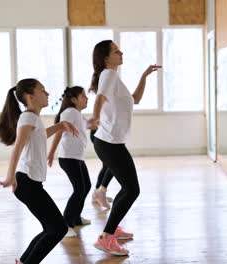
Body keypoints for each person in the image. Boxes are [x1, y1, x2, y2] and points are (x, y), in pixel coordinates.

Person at [89, 40, 161, 255]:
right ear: (105, 57)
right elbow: (100, 98)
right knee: (131, 189)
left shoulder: (113, 78)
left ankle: (112, 227)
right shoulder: (108, 75)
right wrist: (94, 117)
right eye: (116, 51)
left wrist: (144, 77)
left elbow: (135, 99)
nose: (121, 52)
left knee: (128, 188)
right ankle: (106, 237)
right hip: (109, 143)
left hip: (112, 142)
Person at [0, 79, 78, 263]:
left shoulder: (32, 118)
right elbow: (17, 148)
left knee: (51, 229)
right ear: (30, 96)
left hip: (30, 183)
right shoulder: (29, 118)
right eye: (43, 90)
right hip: (26, 183)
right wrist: (10, 177)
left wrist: (60, 125)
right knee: (58, 229)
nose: (47, 93)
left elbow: (40, 136)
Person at [48, 86, 94, 237]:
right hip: (68, 158)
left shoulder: (78, 115)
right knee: (79, 189)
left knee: (86, 186)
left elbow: (90, 125)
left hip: (77, 158)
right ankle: (66, 223)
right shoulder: (69, 112)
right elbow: (60, 130)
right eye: (83, 96)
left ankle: (76, 217)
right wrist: (51, 152)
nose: (86, 98)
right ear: (74, 99)